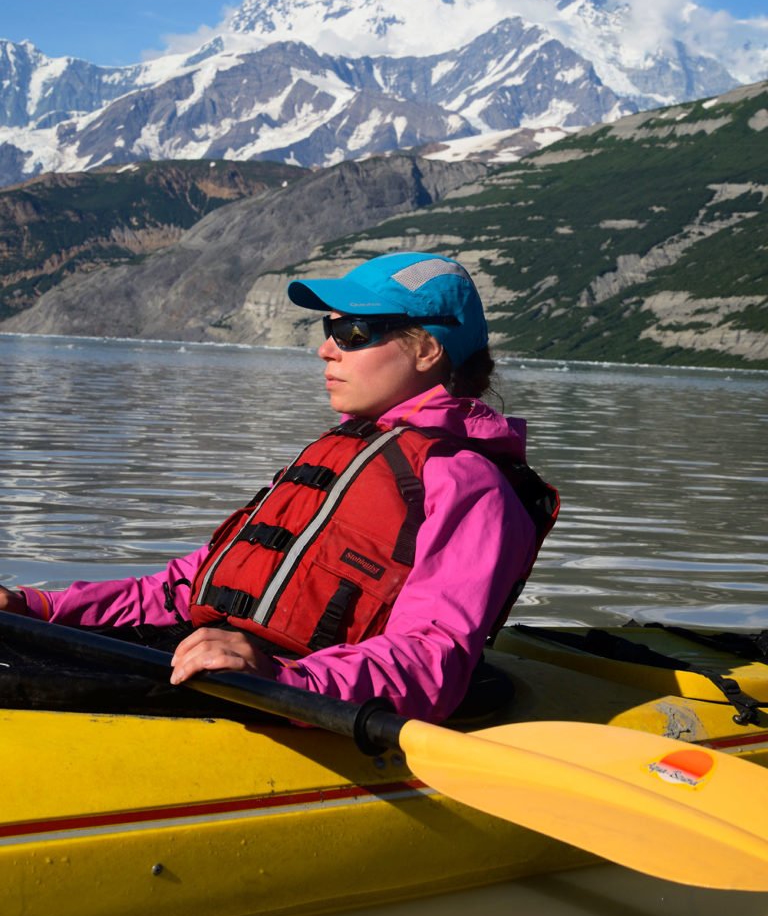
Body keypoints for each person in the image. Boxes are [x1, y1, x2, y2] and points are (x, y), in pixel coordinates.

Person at [0, 252, 556, 723]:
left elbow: (433, 657)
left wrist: (280, 677)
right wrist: (36, 606)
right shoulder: (345, 451)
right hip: (220, 663)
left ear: (428, 350)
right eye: (327, 329)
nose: (327, 349)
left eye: (352, 332)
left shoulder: (469, 483)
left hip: (293, 694)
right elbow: (185, 588)